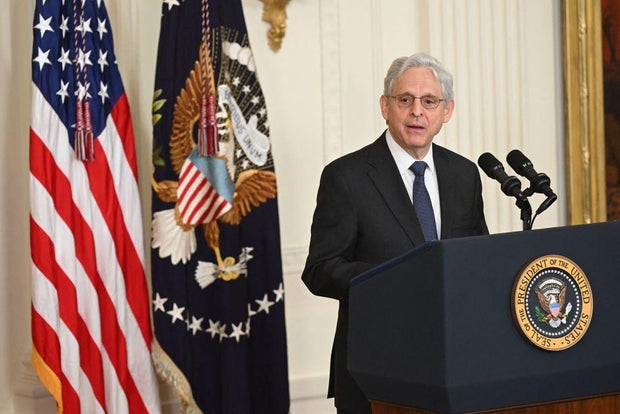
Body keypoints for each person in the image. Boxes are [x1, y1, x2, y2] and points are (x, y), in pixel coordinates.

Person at [301, 52, 489, 413]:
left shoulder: (464, 175)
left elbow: (476, 260)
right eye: (405, 100)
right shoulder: (347, 177)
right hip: (376, 373)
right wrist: (393, 279)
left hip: (456, 367)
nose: (417, 111)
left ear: (446, 111)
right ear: (385, 106)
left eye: (429, 101)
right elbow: (320, 269)